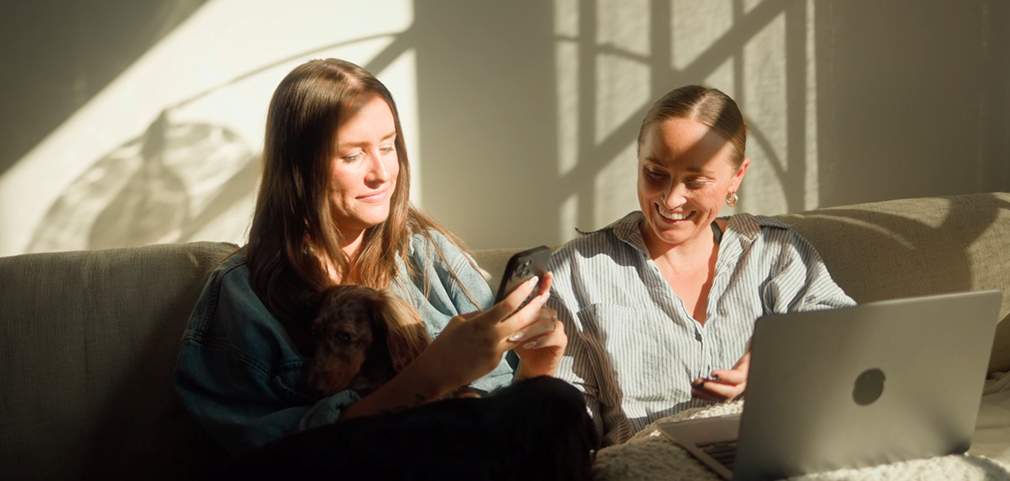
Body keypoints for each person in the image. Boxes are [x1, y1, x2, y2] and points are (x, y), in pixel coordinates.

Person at [173, 58, 570, 459]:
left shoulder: (430, 255)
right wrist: (430, 376)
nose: (382, 173)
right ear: (299, 169)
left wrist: (537, 368)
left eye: (388, 146)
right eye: (352, 156)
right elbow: (277, 459)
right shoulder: (244, 297)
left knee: (564, 409)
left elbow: (505, 427)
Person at [547, 85, 855, 446]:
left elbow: (853, 344)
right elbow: (565, 429)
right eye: (655, 172)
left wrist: (776, 359)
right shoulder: (575, 272)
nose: (671, 199)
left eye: (695, 181)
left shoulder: (776, 253)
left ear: (736, 178)